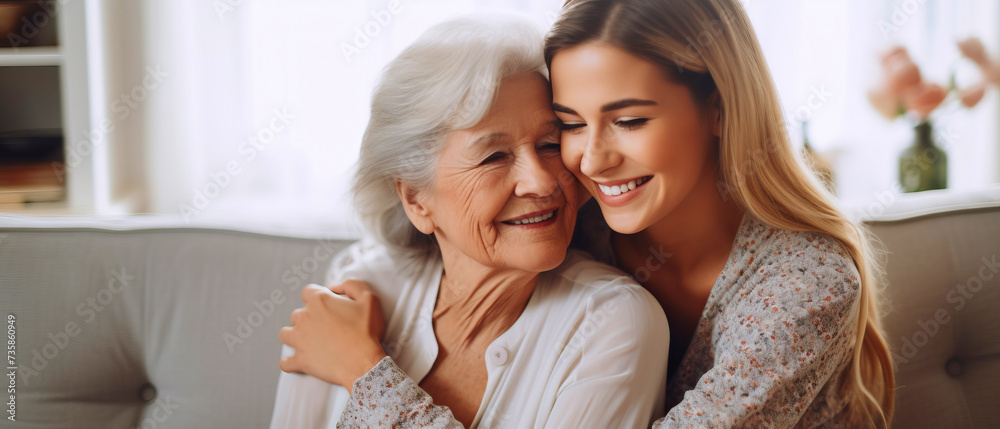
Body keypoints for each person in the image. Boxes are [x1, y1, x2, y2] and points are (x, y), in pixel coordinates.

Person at [310, 0, 898, 428]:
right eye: (568, 124)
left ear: (718, 106)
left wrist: (369, 377)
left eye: (630, 120)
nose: (591, 159)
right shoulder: (570, 223)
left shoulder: (805, 283)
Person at [268, 16, 669, 429]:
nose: (541, 181)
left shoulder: (612, 322)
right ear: (414, 198)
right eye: (493, 156)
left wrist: (365, 370)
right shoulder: (358, 284)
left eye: (550, 144)